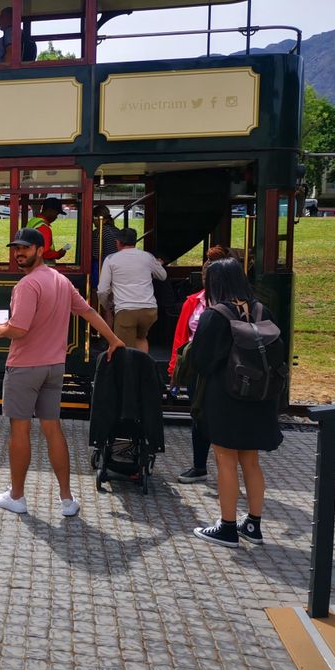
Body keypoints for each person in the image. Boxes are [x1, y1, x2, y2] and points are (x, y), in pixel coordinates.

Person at [0, 227, 125, 517]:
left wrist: (1, 330)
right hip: (54, 367)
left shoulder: (27, 285)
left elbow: (19, 329)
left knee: (20, 430)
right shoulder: (61, 280)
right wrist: (113, 339)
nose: (19, 253)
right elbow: (88, 312)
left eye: (25, 248)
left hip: (25, 367)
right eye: (16, 248)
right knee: (52, 429)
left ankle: (17, 497)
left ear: (40, 250)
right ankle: (66, 499)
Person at [190, 257, 284, 547]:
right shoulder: (262, 310)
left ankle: (227, 527)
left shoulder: (215, 314)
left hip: (226, 396)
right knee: (251, 461)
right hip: (260, 395)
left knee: (225, 460)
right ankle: (253, 525)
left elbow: (201, 360)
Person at [168, 245, 231, 484]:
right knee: (199, 415)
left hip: (225, 368)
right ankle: (199, 465)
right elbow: (180, 338)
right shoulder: (193, 302)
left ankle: (226, 470)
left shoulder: (234, 304)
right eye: (205, 278)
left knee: (223, 418)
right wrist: (174, 370)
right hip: (198, 366)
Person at [96, 227, 166, 353]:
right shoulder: (147, 257)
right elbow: (162, 276)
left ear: (118, 242)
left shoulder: (111, 259)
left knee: (124, 348)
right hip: (149, 310)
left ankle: (128, 366)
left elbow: (102, 290)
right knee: (141, 338)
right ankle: (143, 365)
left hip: (125, 310)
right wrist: (158, 264)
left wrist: (107, 306)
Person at [26, 196, 68, 263]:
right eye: (56, 214)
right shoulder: (43, 227)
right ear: (50, 210)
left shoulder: (33, 221)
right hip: (41, 266)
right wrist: (58, 254)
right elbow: (44, 253)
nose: (56, 217)